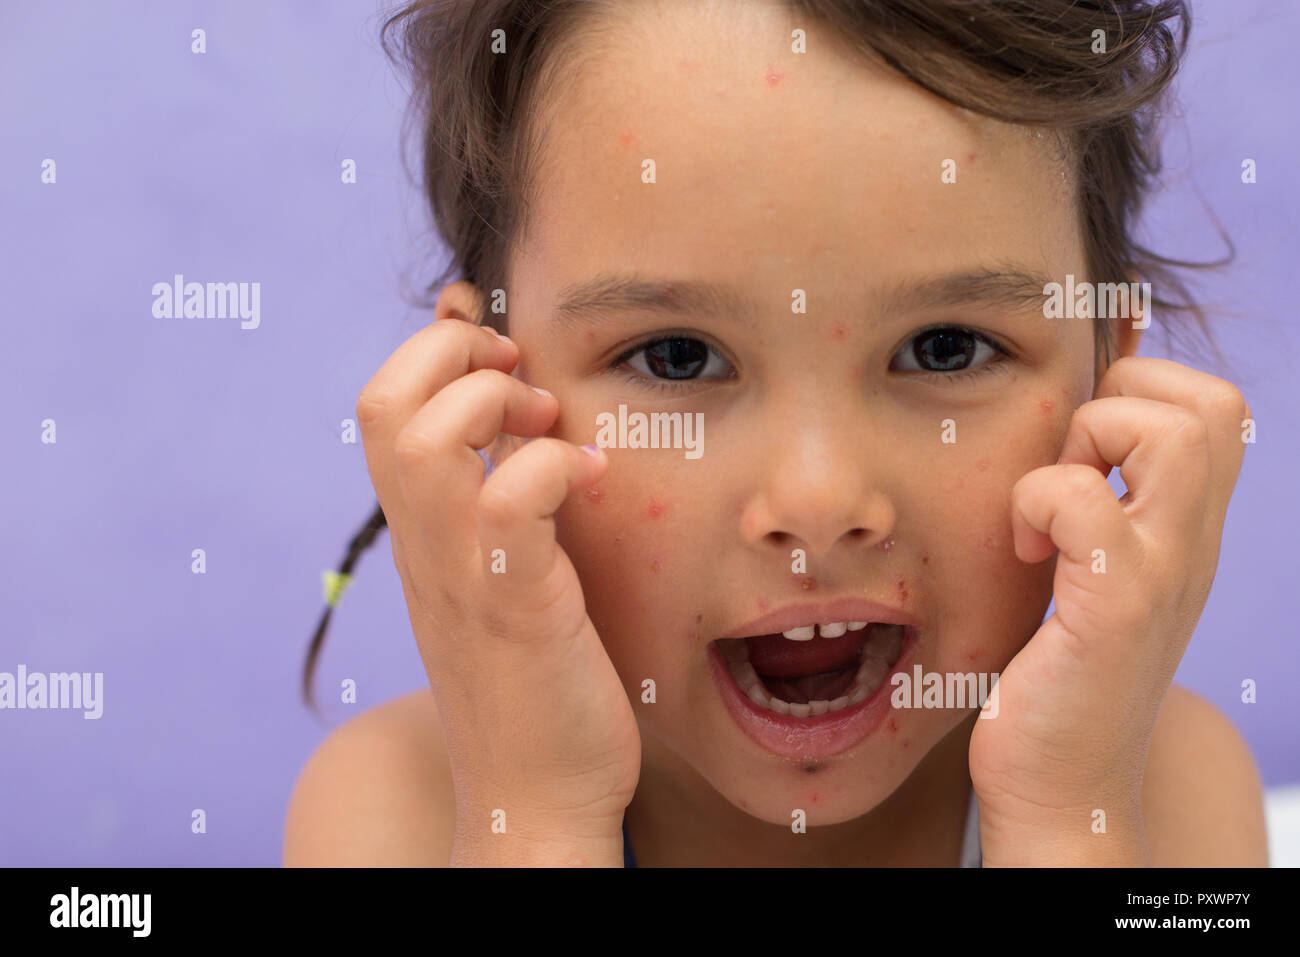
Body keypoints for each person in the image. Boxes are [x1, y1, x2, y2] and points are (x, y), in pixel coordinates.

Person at [284, 0, 1268, 867]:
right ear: (478, 398)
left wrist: (1064, 822)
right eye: (676, 357)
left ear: (1108, 368)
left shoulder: (1153, 788)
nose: (817, 503)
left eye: (942, 349)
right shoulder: (401, 810)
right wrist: (535, 825)